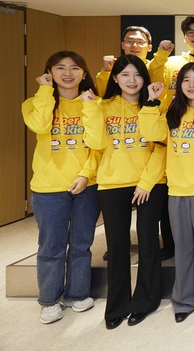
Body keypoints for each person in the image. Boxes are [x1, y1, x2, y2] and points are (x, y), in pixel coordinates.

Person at [81, 55, 166, 329]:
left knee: (148, 242)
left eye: (137, 74)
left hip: (149, 182)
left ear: (145, 78)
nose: (132, 80)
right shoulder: (100, 106)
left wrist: (146, 182)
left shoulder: (155, 104)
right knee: (117, 246)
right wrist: (90, 109)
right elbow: (96, 143)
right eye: (125, 74)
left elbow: (161, 146)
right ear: (115, 78)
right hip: (112, 183)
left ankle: (146, 301)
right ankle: (117, 305)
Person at [139, 63, 194, 323]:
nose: (191, 84)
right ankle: (183, 300)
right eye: (186, 80)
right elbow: (151, 133)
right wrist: (152, 102)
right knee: (183, 250)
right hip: (177, 192)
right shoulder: (172, 112)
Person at [22, 51, 100, 324]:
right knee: (51, 246)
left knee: (81, 243)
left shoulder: (93, 103)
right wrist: (45, 91)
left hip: (86, 185)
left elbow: (98, 143)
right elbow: (40, 125)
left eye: (75, 68)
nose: (68, 73)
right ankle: (49, 300)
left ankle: (78, 294)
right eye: (60, 68)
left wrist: (85, 175)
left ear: (84, 73)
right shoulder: (34, 103)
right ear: (49, 73)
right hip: (49, 187)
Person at [95, 26, 165, 96]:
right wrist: (106, 72)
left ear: (149, 47)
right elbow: (103, 96)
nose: (134, 45)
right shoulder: (114, 69)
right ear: (122, 45)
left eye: (140, 42)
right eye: (129, 41)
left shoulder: (157, 68)